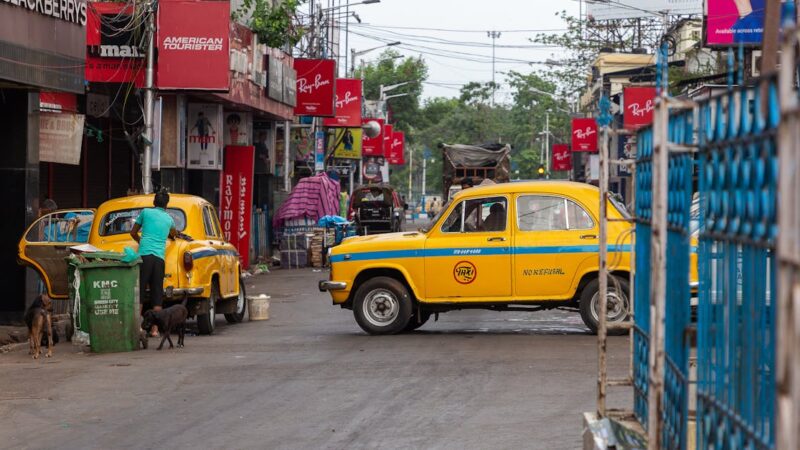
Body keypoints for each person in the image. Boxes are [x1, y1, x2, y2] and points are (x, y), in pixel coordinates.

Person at [130, 190, 178, 337]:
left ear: (153, 202)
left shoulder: (145, 213)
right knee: (157, 293)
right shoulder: (169, 219)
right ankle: (155, 330)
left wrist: (142, 242)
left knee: (141, 291)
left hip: (144, 257)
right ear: (167, 205)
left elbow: (133, 232)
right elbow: (174, 235)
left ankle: (137, 327)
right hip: (159, 259)